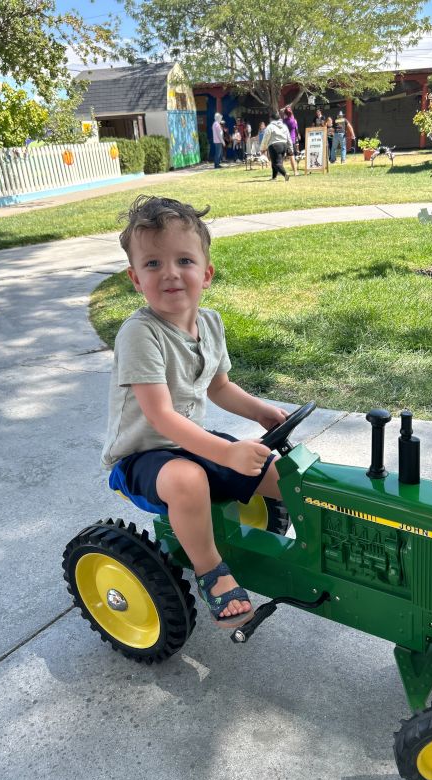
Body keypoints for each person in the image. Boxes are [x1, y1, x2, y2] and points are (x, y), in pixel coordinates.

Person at [102, 196, 289, 628]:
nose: (169, 273)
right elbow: (161, 417)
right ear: (135, 278)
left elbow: (219, 386)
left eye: (183, 260)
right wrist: (226, 454)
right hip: (143, 456)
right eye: (152, 264)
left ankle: (319, 549)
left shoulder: (210, 323)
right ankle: (210, 571)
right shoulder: (140, 333)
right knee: (190, 478)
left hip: (190, 444)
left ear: (206, 273)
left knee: (276, 470)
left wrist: (260, 411)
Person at [260, 111, 291, 181]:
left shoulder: (270, 126)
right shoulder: (284, 126)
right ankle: (274, 177)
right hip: (284, 145)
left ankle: (285, 174)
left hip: (274, 145)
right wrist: (290, 147)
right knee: (276, 162)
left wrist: (262, 148)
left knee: (276, 163)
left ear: (271, 119)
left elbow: (266, 138)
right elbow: (288, 137)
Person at [282, 106, 299, 176]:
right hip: (292, 140)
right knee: (292, 156)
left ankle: (280, 171)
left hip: (284, 140)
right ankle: (295, 172)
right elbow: (296, 130)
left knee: (281, 156)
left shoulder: (283, 121)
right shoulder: (294, 121)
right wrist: (297, 136)